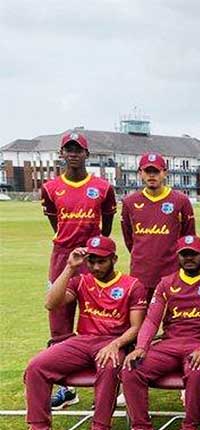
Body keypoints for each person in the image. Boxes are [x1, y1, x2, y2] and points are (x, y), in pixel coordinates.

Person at [8, 236, 146, 430]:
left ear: (114, 259)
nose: (95, 267)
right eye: (90, 261)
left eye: (101, 261)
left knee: (109, 365)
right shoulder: (81, 280)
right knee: (36, 367)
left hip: (114, 341)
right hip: (82, 341)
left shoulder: (132, 284)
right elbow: (51, 304)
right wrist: (70, 267)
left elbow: (136, 327)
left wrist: (115, 344)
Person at [117, 236, 200, 430]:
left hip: (199, 345)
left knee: (197, 371)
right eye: (184, 254)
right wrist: (141, 347)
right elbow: (151, 320)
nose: (189, 258)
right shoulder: (166, 283)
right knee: (131, 367)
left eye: (193, 254)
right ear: (177, 257)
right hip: (169, 344)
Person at [40, 131, 117, 410]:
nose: (73, 153)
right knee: (59, 320)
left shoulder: (102, 187)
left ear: (87, 154)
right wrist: (69, 245)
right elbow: (54, 222)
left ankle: (109, 378)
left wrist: (94, 249)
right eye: (68, 149)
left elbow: (107, 225)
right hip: (62, 257)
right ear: (62, 154)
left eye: (78, 149)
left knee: (102, 318)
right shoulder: (50, 188)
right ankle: (66, 388)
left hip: (93, 258)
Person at [120, 152, 195, 300]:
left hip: (172, 275)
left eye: (156, 171)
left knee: (174, 322)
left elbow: (188, 238)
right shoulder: (130, 202)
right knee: (141, 321)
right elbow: (129, 239)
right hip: (141, 275)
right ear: (140, 173)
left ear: (164, 173)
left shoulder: (181, 201)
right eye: (148, 171)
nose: (151, 175)